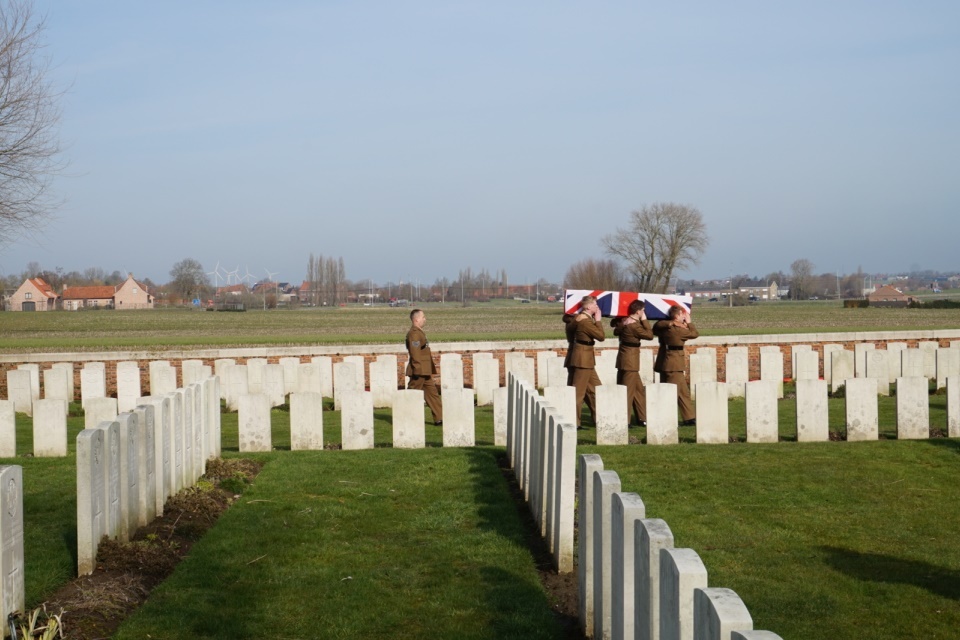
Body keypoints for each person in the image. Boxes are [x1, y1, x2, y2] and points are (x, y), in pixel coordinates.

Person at [653, 305, 699, 425]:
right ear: (677, 316)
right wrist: (689, 322)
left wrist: (673, 322)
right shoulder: (678, 330)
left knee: (679, 391)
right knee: (677, 392)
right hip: (674, 365)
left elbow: (656, 326)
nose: (684, 316)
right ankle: (684, 418)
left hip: (666, 363)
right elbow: (694, 334)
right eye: (682, 314)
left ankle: (688, 417)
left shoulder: (665, 328)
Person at [613, 299, 653, 427]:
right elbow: (650, 335)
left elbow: (615, 330)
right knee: (628, 391)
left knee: (638, 390)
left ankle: (642, 418)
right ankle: (625, 420)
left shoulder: (624, 322)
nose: (643, 312)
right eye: (643, 310)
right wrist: (644, 320)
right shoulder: (634, 325)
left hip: (624, 358)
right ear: (638, 311)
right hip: (630, 360)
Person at [567, 295, 605, 428]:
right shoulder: (585, 321)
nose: (597, 307)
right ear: (588, 307)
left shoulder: (578, 319)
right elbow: (601, 336)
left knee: (597, 390)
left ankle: (599, 418)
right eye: (595, 305)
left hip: (585, 359)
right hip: (583, 359)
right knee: (578, 393)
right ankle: (574, 422)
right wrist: (598, 321)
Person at [405, 308, 443, 425]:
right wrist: (417, 369)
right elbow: (415, 352)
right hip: (419, 370)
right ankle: (405, 417)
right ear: (416, 319)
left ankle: (439, 418)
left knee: (432, 394)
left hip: (424, 370)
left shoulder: (419, 332)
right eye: (423, 317)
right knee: (412, 394)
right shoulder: (414, 334)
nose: (425, 319)